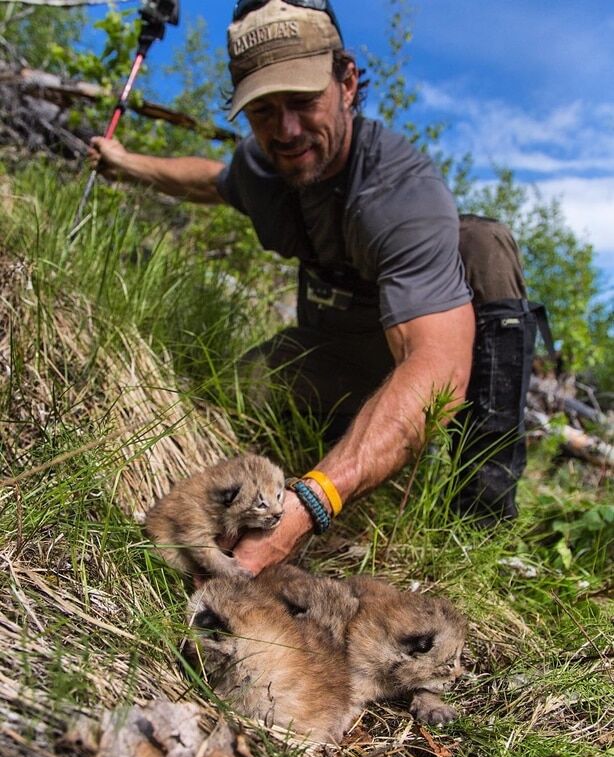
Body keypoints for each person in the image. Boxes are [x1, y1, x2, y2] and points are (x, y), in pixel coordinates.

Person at [88, 0, 536, 574]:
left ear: (347, 83)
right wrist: (126, 163)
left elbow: (436, 367)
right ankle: (335, 438)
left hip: (410, 358)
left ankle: (480, 518)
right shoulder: (261, 168)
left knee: (483, 243)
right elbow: (211, 182)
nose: (287, 130)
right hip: (328, 350)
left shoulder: (399, 194)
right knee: (236, 391)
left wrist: (310, 503)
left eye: (303, 101)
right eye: (263, 110)